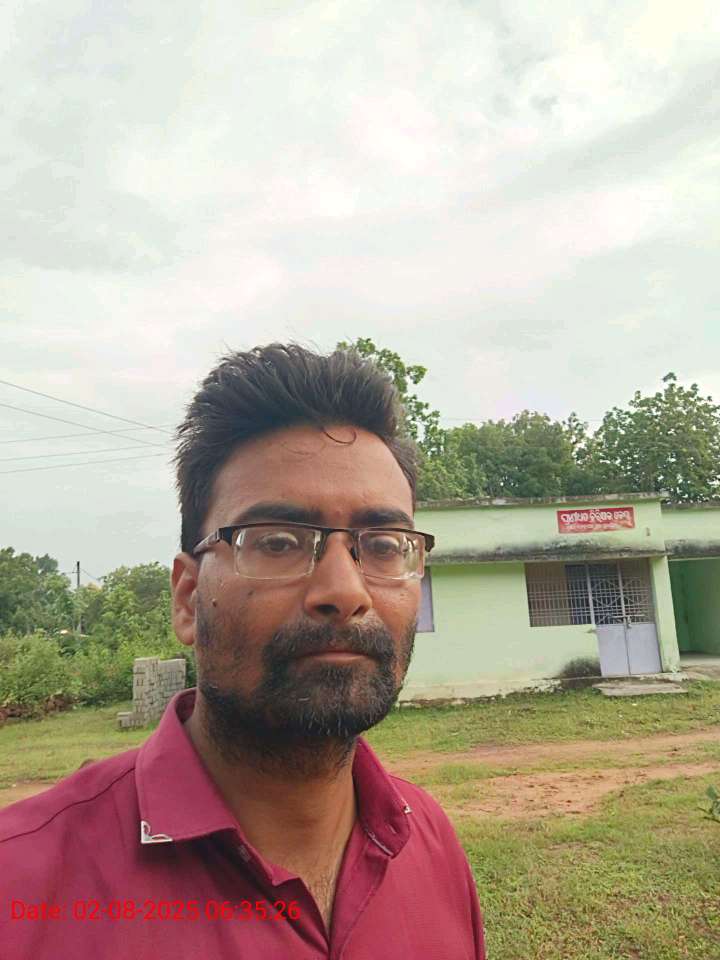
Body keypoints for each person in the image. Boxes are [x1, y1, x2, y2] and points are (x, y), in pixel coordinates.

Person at [0, 343, 486, 959]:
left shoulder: (431, 843)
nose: (345, 592)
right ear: (187, 598)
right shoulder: (22, 888)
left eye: (384, 545)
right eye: (278, 541)